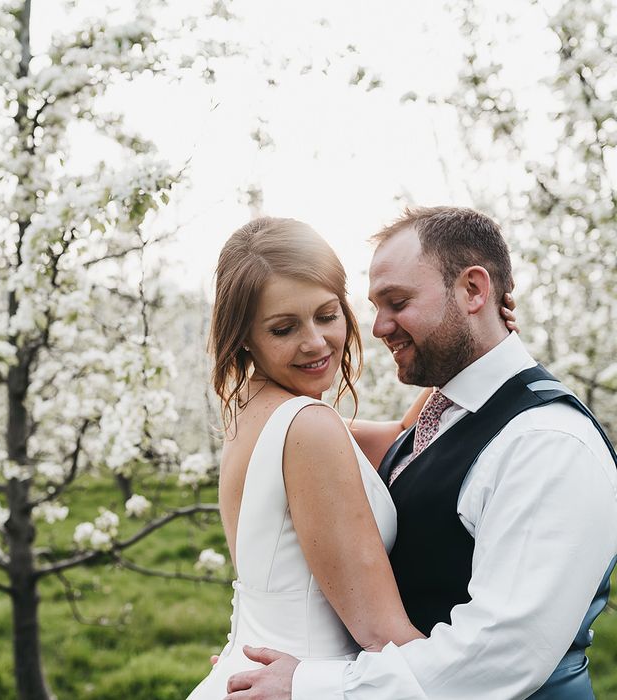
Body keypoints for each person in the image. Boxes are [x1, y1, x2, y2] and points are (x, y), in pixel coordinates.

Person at [224, 206, 617, 700]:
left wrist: (311, 682)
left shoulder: (548, 444)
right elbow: (419, 437)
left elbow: (501, 655)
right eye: (374, 306)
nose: (378, 327)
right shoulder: (329, 429)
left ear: (475, 290)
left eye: (397, 302)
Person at [187, 215, 517, 700]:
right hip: (305, 683)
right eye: (283, 328)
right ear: (244, 337)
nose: (316, 343)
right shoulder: (308, 428)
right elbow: (383, 636)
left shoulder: (254, 411)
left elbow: (408, 434)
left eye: (326, 315)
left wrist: (487, 346)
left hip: (249, 675)